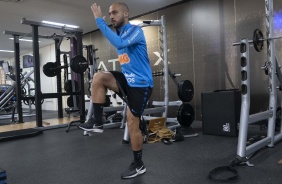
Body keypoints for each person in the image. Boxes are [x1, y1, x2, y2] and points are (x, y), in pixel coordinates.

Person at [79, 2, 153, 179]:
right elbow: (118, 40)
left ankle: (138, 164)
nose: (111, 16)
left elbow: (119, 44)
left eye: (115, 13)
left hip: (141, 86)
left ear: (126, 13)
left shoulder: (136, 31)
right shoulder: (119, 32)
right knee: (98, 77)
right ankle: (98, 122)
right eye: (109, 14)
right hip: (128, 81)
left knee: (131, 122)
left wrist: (99, 21)